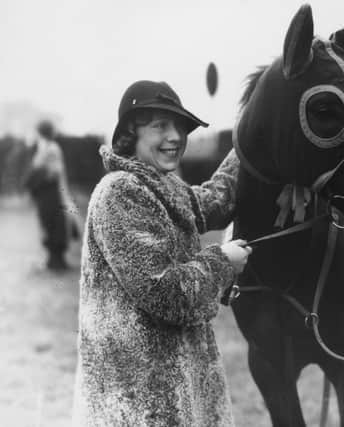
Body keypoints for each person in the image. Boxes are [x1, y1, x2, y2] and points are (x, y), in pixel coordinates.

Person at [72, 80, 250, 426]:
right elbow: (165, 292)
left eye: (180, 127)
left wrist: (247, 139)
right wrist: (222, 261)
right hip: (135, 401)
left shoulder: (161, 185)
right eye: (160, 126)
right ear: (130, 134)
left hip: (169, 393)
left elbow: (214, 199)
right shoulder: (119, 193)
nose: (175, 137)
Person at [24, 120, 77, 270]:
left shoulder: (51, 148)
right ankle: (53, 260)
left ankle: (57, 261)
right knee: (49, 224)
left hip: (53, 193)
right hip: (47, 193)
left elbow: (53, 172)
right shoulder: (45, 147)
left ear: (40, 133)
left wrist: (34, 179)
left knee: (54, 224)